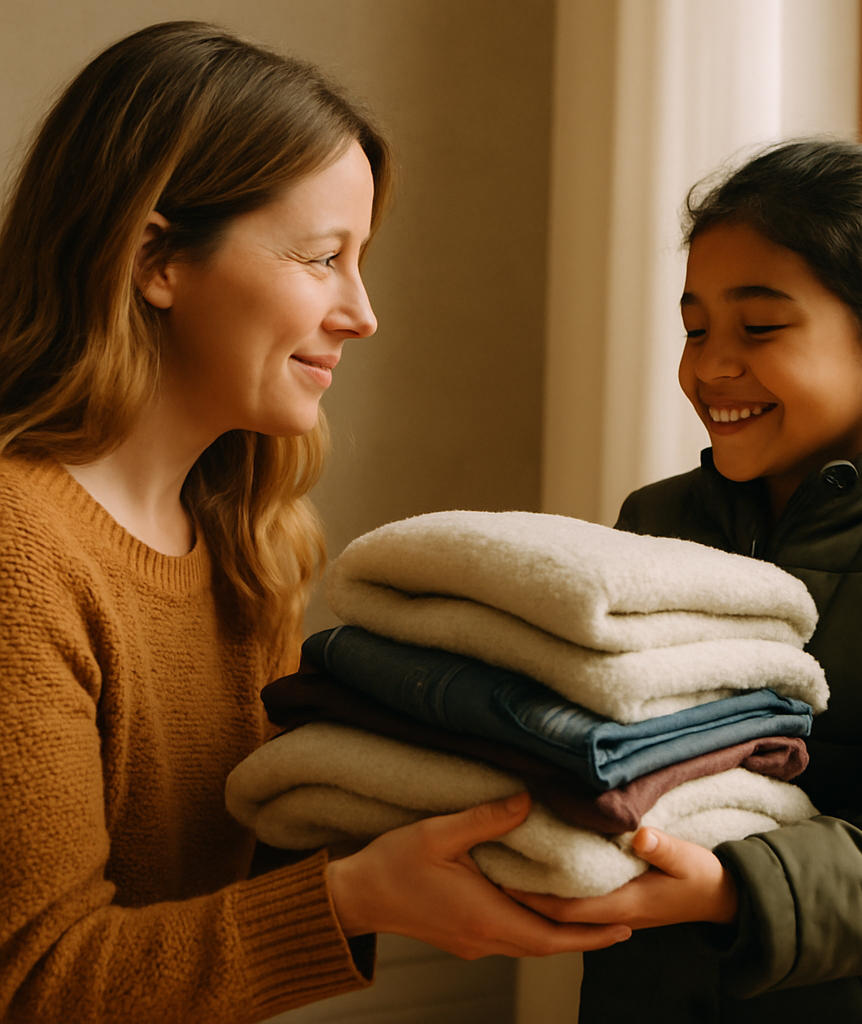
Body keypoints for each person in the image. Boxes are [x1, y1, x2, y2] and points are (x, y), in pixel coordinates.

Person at [0, 21, 630, 1024]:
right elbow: (35, 984)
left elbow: (254, 852)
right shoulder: (19, 556)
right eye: (322, 257)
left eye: (361, 258)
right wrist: (360, 896)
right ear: (157, 258)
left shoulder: (245, 536)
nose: (361, 311)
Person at [512, 139, 862, 1022]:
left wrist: (727, 889)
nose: (710, 365)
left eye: (759, 327)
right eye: (695, 327)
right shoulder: (657, 522)